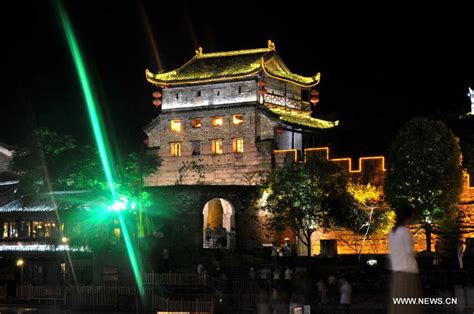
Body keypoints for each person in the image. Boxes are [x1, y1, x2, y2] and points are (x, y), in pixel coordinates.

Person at [388, 205, 421, 314]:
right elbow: (409, 251)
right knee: (408, 304)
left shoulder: (392, 233)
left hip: (397, 271)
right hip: (408, 270)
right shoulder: (404, 231)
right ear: (408, 217)